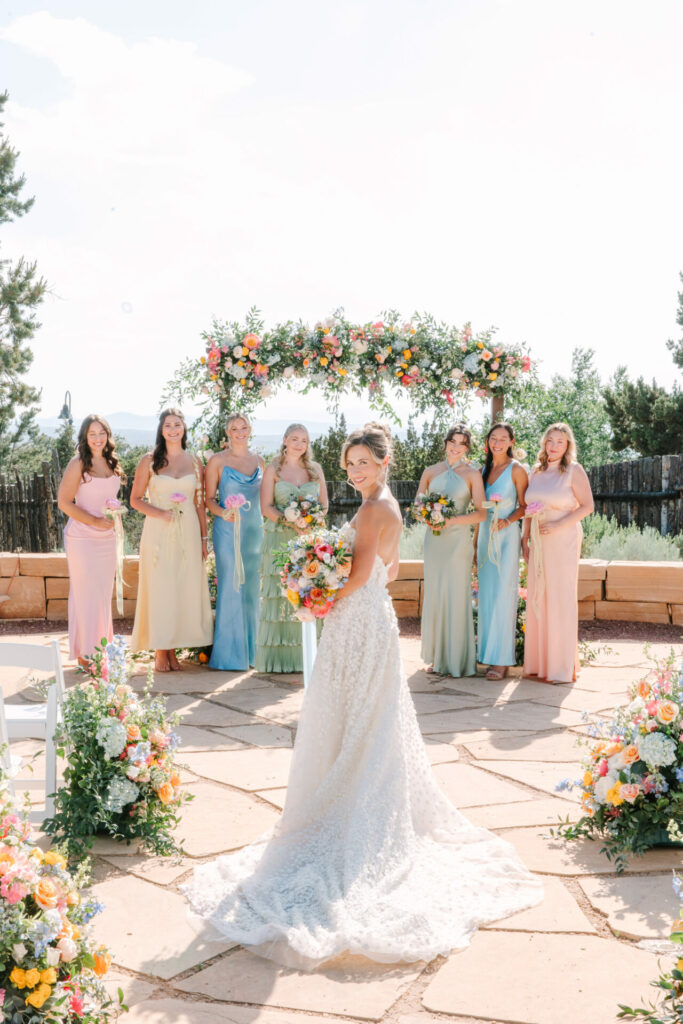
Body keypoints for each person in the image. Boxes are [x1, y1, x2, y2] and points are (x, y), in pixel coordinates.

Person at [182, 421, 542, 969]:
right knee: (366, 716)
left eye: (363, 464)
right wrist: (331, 583)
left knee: (358, 715)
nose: (354, 472)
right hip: (368, 618)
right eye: (349, 464)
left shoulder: (375, 509)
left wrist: (315, 596)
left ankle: (351, 809)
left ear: (383, 463)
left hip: (357, 621)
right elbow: (388, 572)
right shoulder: (384, 505)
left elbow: (358, 574)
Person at [130, 408, 213, 672]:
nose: (173, 429)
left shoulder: (195, 462)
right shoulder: (148, 461)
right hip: (158, 532)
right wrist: (161, 514)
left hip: (188, 531)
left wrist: (204, 539)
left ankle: (173, 651)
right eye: (168, 425)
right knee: (161, 588)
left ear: (184, 428)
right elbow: (135, 500)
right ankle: (160, 650)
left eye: (177, 424)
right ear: (161, 429)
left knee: (181, 588)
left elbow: (199, 504)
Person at [522, 422, 594, 684]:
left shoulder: (574, 470)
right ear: (544, 442)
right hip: (538, 540)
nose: (553, 446)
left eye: (559, 442)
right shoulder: (535, 470)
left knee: (560, 598)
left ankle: (561, 668)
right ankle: (539, 664)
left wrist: (558, 524)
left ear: (567, 446)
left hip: (563, 539)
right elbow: (528, 507)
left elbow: (587, 506)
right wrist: (524, 538)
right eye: (550, 440)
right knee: (539, 595)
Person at [254, 423, 327, 673]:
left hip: (309, 541)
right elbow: (266, 507)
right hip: (280, 539)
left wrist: (310, 520)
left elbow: (324, 505)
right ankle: (279, 660)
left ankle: (308, 655)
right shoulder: (273, 469)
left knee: (308, 592)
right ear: (285, 440)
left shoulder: (315, 470)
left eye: (304, 440)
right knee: (280, 595)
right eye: (294, 439)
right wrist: (290, 521)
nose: (299, 444)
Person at [418, 425, 486, 678]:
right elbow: (417, 504)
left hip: (458, 543)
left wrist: (451, 520)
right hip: (434, 542)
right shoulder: (430, 471)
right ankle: (437, 658)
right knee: (435, 594)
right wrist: (427, 516)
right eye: (452, 441)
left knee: (456, 595)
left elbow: (481, 513)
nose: (456, 447)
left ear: (467, 447)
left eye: (462, 443)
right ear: (446, 443)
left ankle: (457, 660)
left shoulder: (472, 474)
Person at [58, 415, 124, 666]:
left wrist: (113, 517)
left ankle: (101, 650)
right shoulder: (78, 463)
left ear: (108, 435)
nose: (98, 438)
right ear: (85, 437)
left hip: (106, 539)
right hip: (82, 537)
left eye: (101, 433)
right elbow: (64, 502)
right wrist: (95, 521)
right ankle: (85, 655)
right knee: (85, 595)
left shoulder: (112, 463)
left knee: (101, 595)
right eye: (92, 434)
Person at [205, 414, 264, 670]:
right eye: (235, 428)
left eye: (244, 427)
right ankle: (229, 656)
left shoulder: (260, 461)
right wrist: (223, 513)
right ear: (228, 433)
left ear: (250, 430)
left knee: (251, 589)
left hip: (254, 532)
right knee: (231, 585)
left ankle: (253, 653)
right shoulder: (217, 461)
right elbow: (208, 499)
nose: (240, 432)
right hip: (228, 531)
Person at [475, 422, 528, 680]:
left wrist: (507, 521)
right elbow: (479, 510)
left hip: (506, 538)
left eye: (503, 438)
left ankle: (502, 660)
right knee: (486, 597)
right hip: (486, 538)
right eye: (493, 438)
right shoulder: (481, 471)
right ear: (488, 441)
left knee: (503, 597)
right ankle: (487, 655)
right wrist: (475, 542)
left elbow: (525, 506)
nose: (497, 443)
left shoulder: (517, 470)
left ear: (511, 442)